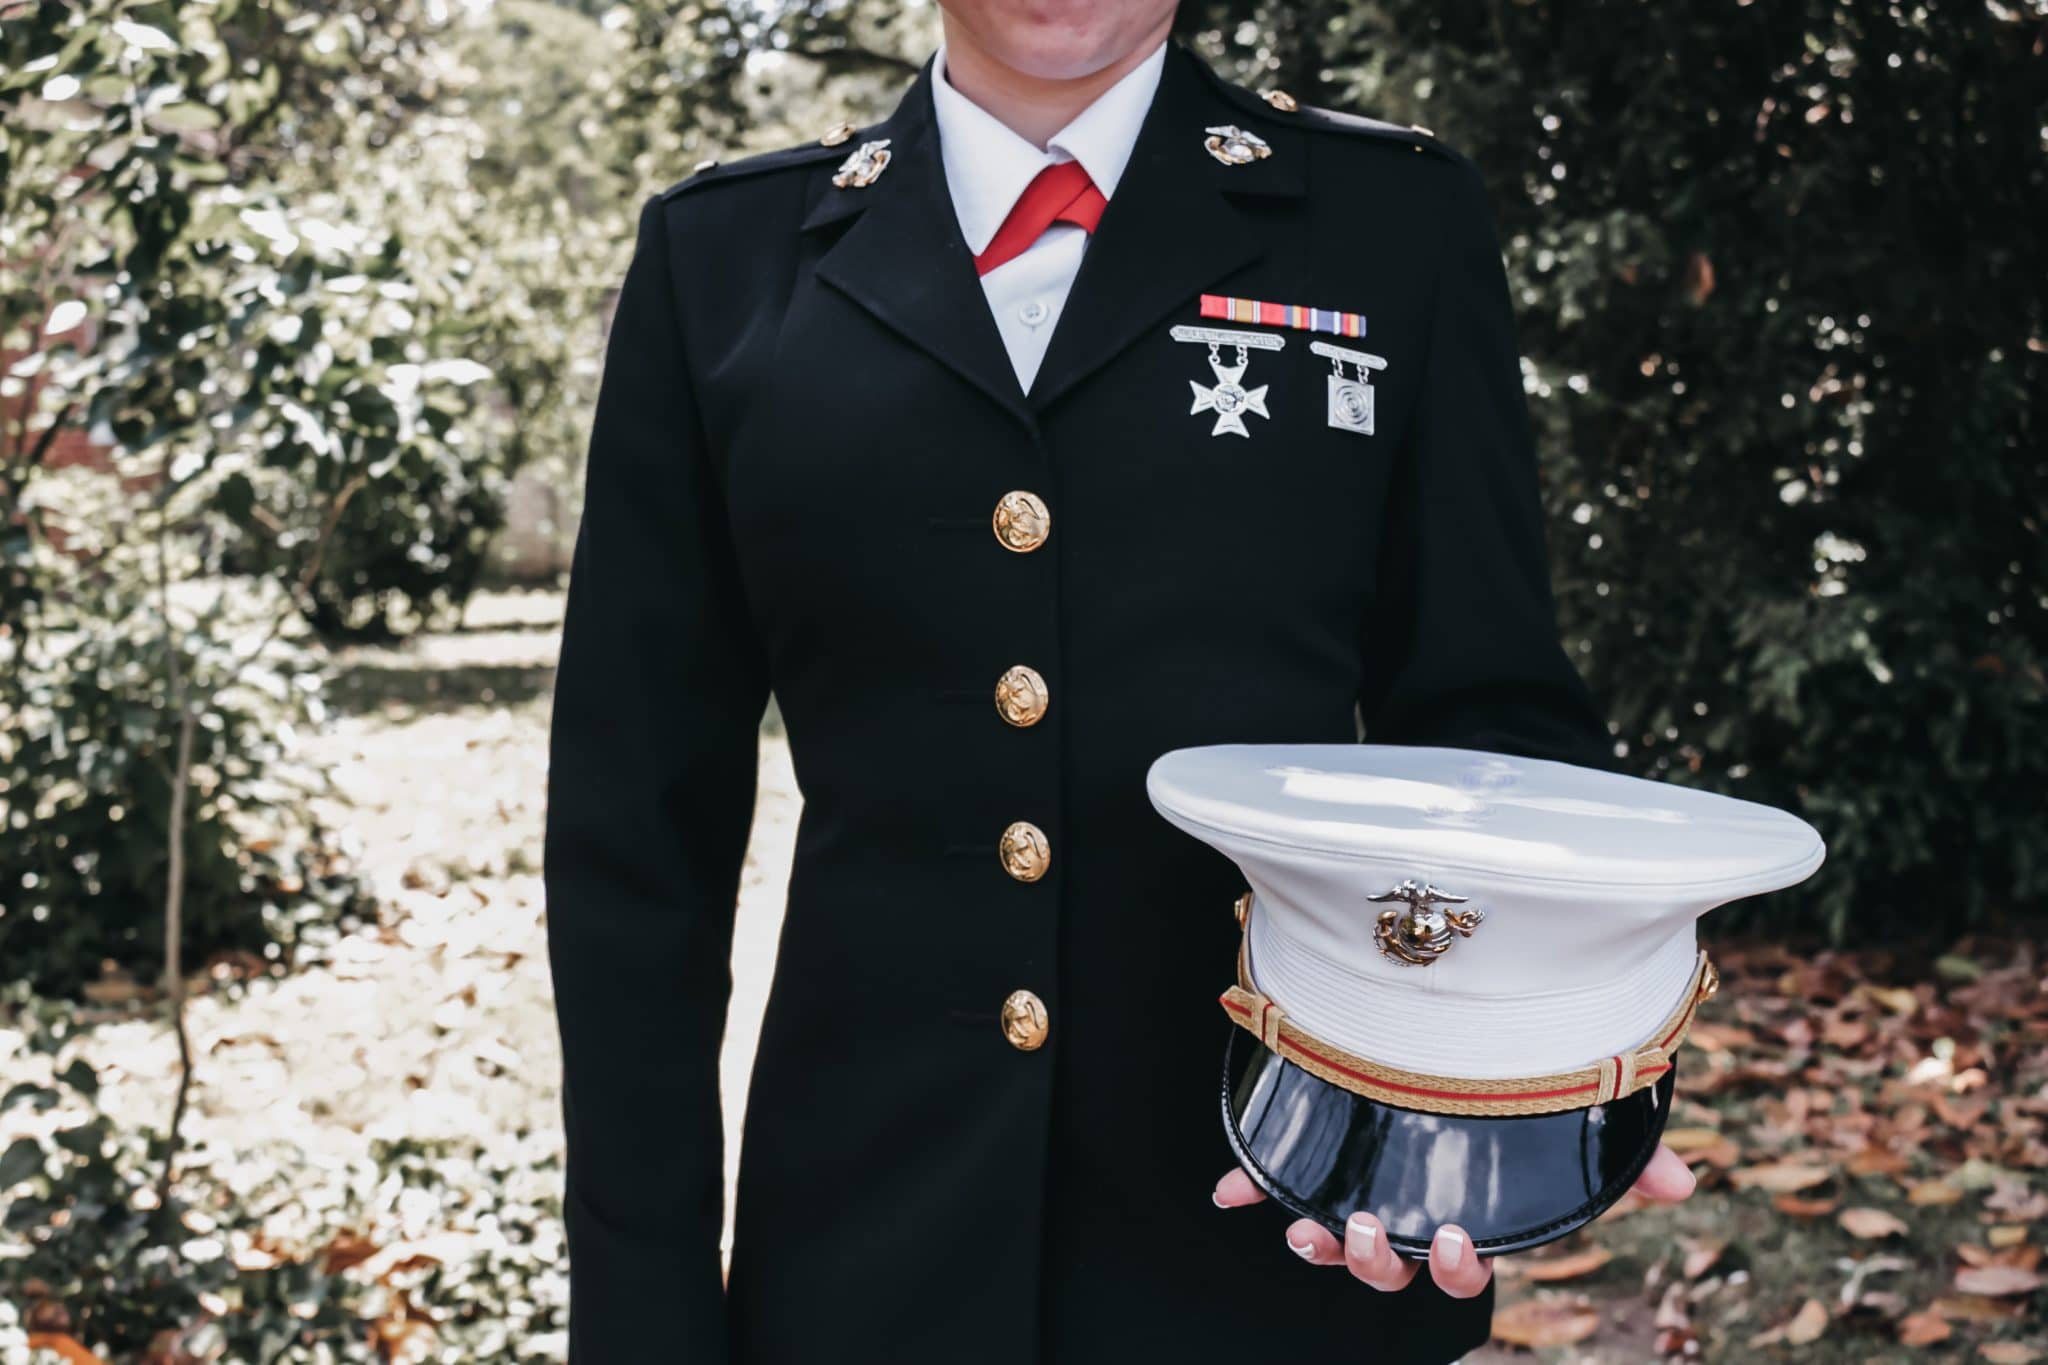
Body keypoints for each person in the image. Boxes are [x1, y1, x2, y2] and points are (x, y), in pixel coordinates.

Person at [543, 2, 1696, 1361]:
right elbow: (637, 841)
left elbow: (1487, 718)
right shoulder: (724, 259)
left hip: (1284, 1229)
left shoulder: (1391, 225)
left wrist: (1473, 1114)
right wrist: (645, 1309)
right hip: (865, 1255)